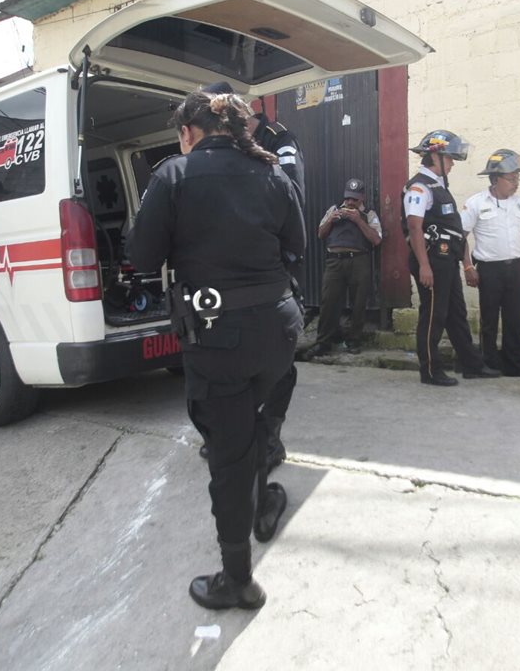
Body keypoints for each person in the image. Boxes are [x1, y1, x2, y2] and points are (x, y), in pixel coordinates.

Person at [126, 88, 303, 611]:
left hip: (217, 334)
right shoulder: (274, 173)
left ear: (188, 132)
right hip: (279, 329)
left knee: (227, 453)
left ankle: (238, 580)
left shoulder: (173, 176)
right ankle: (263, 500)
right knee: (256, 423)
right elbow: (295, 245)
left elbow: (141, 256)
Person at [201, 81, 303, 474]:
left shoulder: (278, 140)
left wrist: (280, 264)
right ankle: (225, 436)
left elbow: (294, 197)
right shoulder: (203, 151)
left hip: (267, 267)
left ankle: (268, 438)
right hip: (219, 274)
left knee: (276, 361)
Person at [403, 130, 500, 387]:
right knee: (434, 314)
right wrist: (424, 265)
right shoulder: (419, 186)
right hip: (432, 260)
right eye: (450, 159)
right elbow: (414, 227)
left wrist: (465, 262)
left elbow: (454, 229)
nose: (453, 163)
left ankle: (471, 365)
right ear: (436, 156)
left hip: (446, 259)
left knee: (456, 313)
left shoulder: (438, 185)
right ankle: (431, 371)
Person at [461, 150, 520, 376]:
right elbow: (460, 238)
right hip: (489, 271)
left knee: (514, 319)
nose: (516, 183)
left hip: (516, 268)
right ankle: (489, 363)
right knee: (489, 320)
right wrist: (468, 267)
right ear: (495, 179)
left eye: (518, 178)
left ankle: (514, 365)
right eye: (511, 179)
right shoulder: (475, 203)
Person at [308, 177, 382, 356]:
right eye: (348, 198)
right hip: (334, 261)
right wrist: (330, 220)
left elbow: (376, 240)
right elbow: (321, 234)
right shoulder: (334, 210)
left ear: (362, 198)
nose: (350, 202)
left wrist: (358, 220)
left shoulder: (369, 214)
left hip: (359, 260)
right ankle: (324, 341)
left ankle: (354, 340)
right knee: (329, 301)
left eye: (354, 199)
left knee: (358, 303)